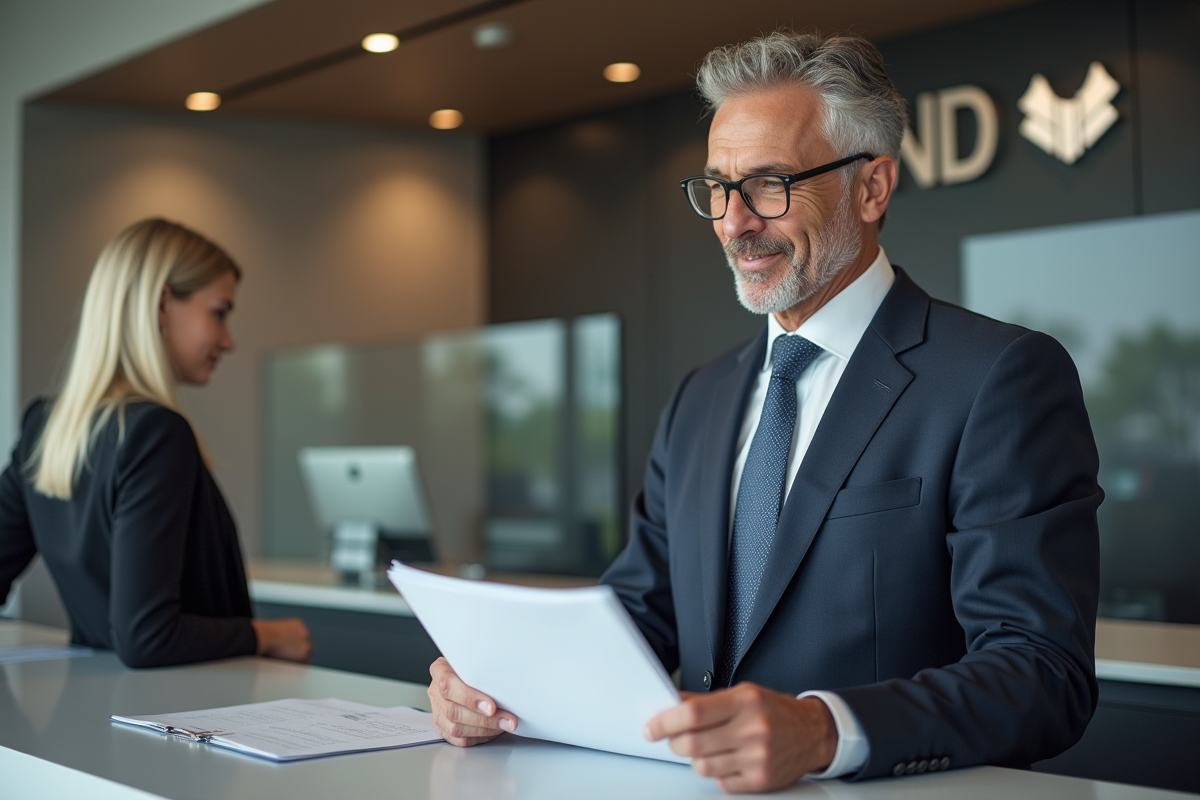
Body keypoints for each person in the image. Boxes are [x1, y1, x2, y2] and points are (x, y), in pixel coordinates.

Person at [426, 30, 1101, 792]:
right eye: (718, 187)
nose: (734, 222)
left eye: (771, 185)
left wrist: (823, 730)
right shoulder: (701, 398)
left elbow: (1043, 673)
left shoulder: (996, 377)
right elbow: (637, 618)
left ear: (873, 188)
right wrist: (500, 688)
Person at [0, 218, 311, 668]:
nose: (229, 340)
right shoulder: (155, 433)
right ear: (163, 303)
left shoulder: (44, 427)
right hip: (187, 718)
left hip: (99, 714)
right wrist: (268, 635)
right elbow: (148, 637)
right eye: (219, 312)